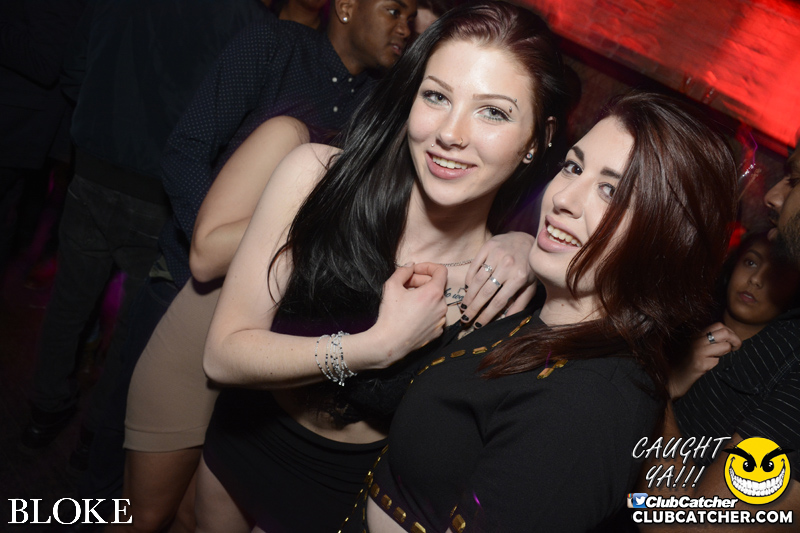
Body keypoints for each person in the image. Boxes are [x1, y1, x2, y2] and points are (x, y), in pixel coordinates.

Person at [199, 3, 569, 531]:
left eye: (493, 112)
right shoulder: (316, 179)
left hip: (344, 491)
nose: (451, 133)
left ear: (536, 138)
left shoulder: (503, 289)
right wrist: (375, 347)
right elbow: (222, 356)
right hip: (246, 434)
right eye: (437, 96)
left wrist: (525, 251)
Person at [79, 0, 417, 510]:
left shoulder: (375, 105)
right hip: (189, 281)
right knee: (125, 426)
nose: (405, 27)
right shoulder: (272, 46)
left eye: (411, 17)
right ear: (347, 7)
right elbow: (186, 150)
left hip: (267, 321)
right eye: (395, 10)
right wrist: (211, 240)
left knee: (194, 480)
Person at [352, 91, 739, 533]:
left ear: (663, 242)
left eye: (610, 191)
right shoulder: (547, 320)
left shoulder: (589, 404)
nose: (564, 198)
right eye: (573, 167)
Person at [20, 0, 271, 466]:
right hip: (167, 194)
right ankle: (97, 435)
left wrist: (101, 116)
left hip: (95, 173)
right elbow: (244, 119)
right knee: (134, 327)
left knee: (68, 306)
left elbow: (73, 70)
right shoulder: (247, 19)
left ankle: (43, 411)